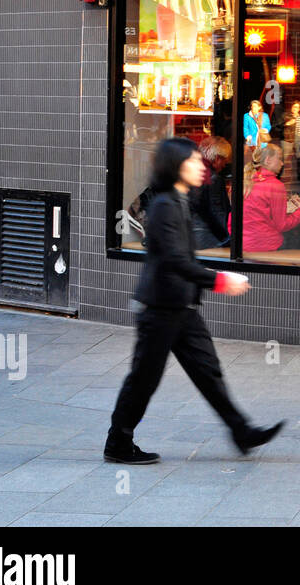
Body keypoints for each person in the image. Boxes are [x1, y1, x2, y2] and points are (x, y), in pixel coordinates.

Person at [105, 137, 284, 464]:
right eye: (191, 161)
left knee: (208, 372)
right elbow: (174, 261)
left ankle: (241, 432)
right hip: (159, 310)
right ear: (175, 166)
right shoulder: (162, 207)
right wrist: (219, 279)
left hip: (182, 308)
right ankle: (118, 442)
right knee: (144, 380)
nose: (199, 165)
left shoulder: (180, 199)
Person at [242, 143, 300, 252]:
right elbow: (281, 225)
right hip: (267, 245)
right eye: (279, 159)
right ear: (268, 160)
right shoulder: (275, 185)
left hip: (242, 245)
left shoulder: (246, 182)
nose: (282, 163)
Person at [190, 135, 232, 250]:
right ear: (217, 158)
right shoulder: (213, 178)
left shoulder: (191, 172)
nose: (225, 165)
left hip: (190, 236)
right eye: (225, 160)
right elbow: (218, 212)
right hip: (208, 239)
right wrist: (225, 239)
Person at [283, 100, 300, 182]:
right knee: (284, 157)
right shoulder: (286, 115)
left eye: (296, 107)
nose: (294, 109)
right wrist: (287, 123)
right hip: (288, 139)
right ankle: (279, 174)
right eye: (293, 107)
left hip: (299, 138)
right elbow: (278, 125)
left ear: (299, 109)